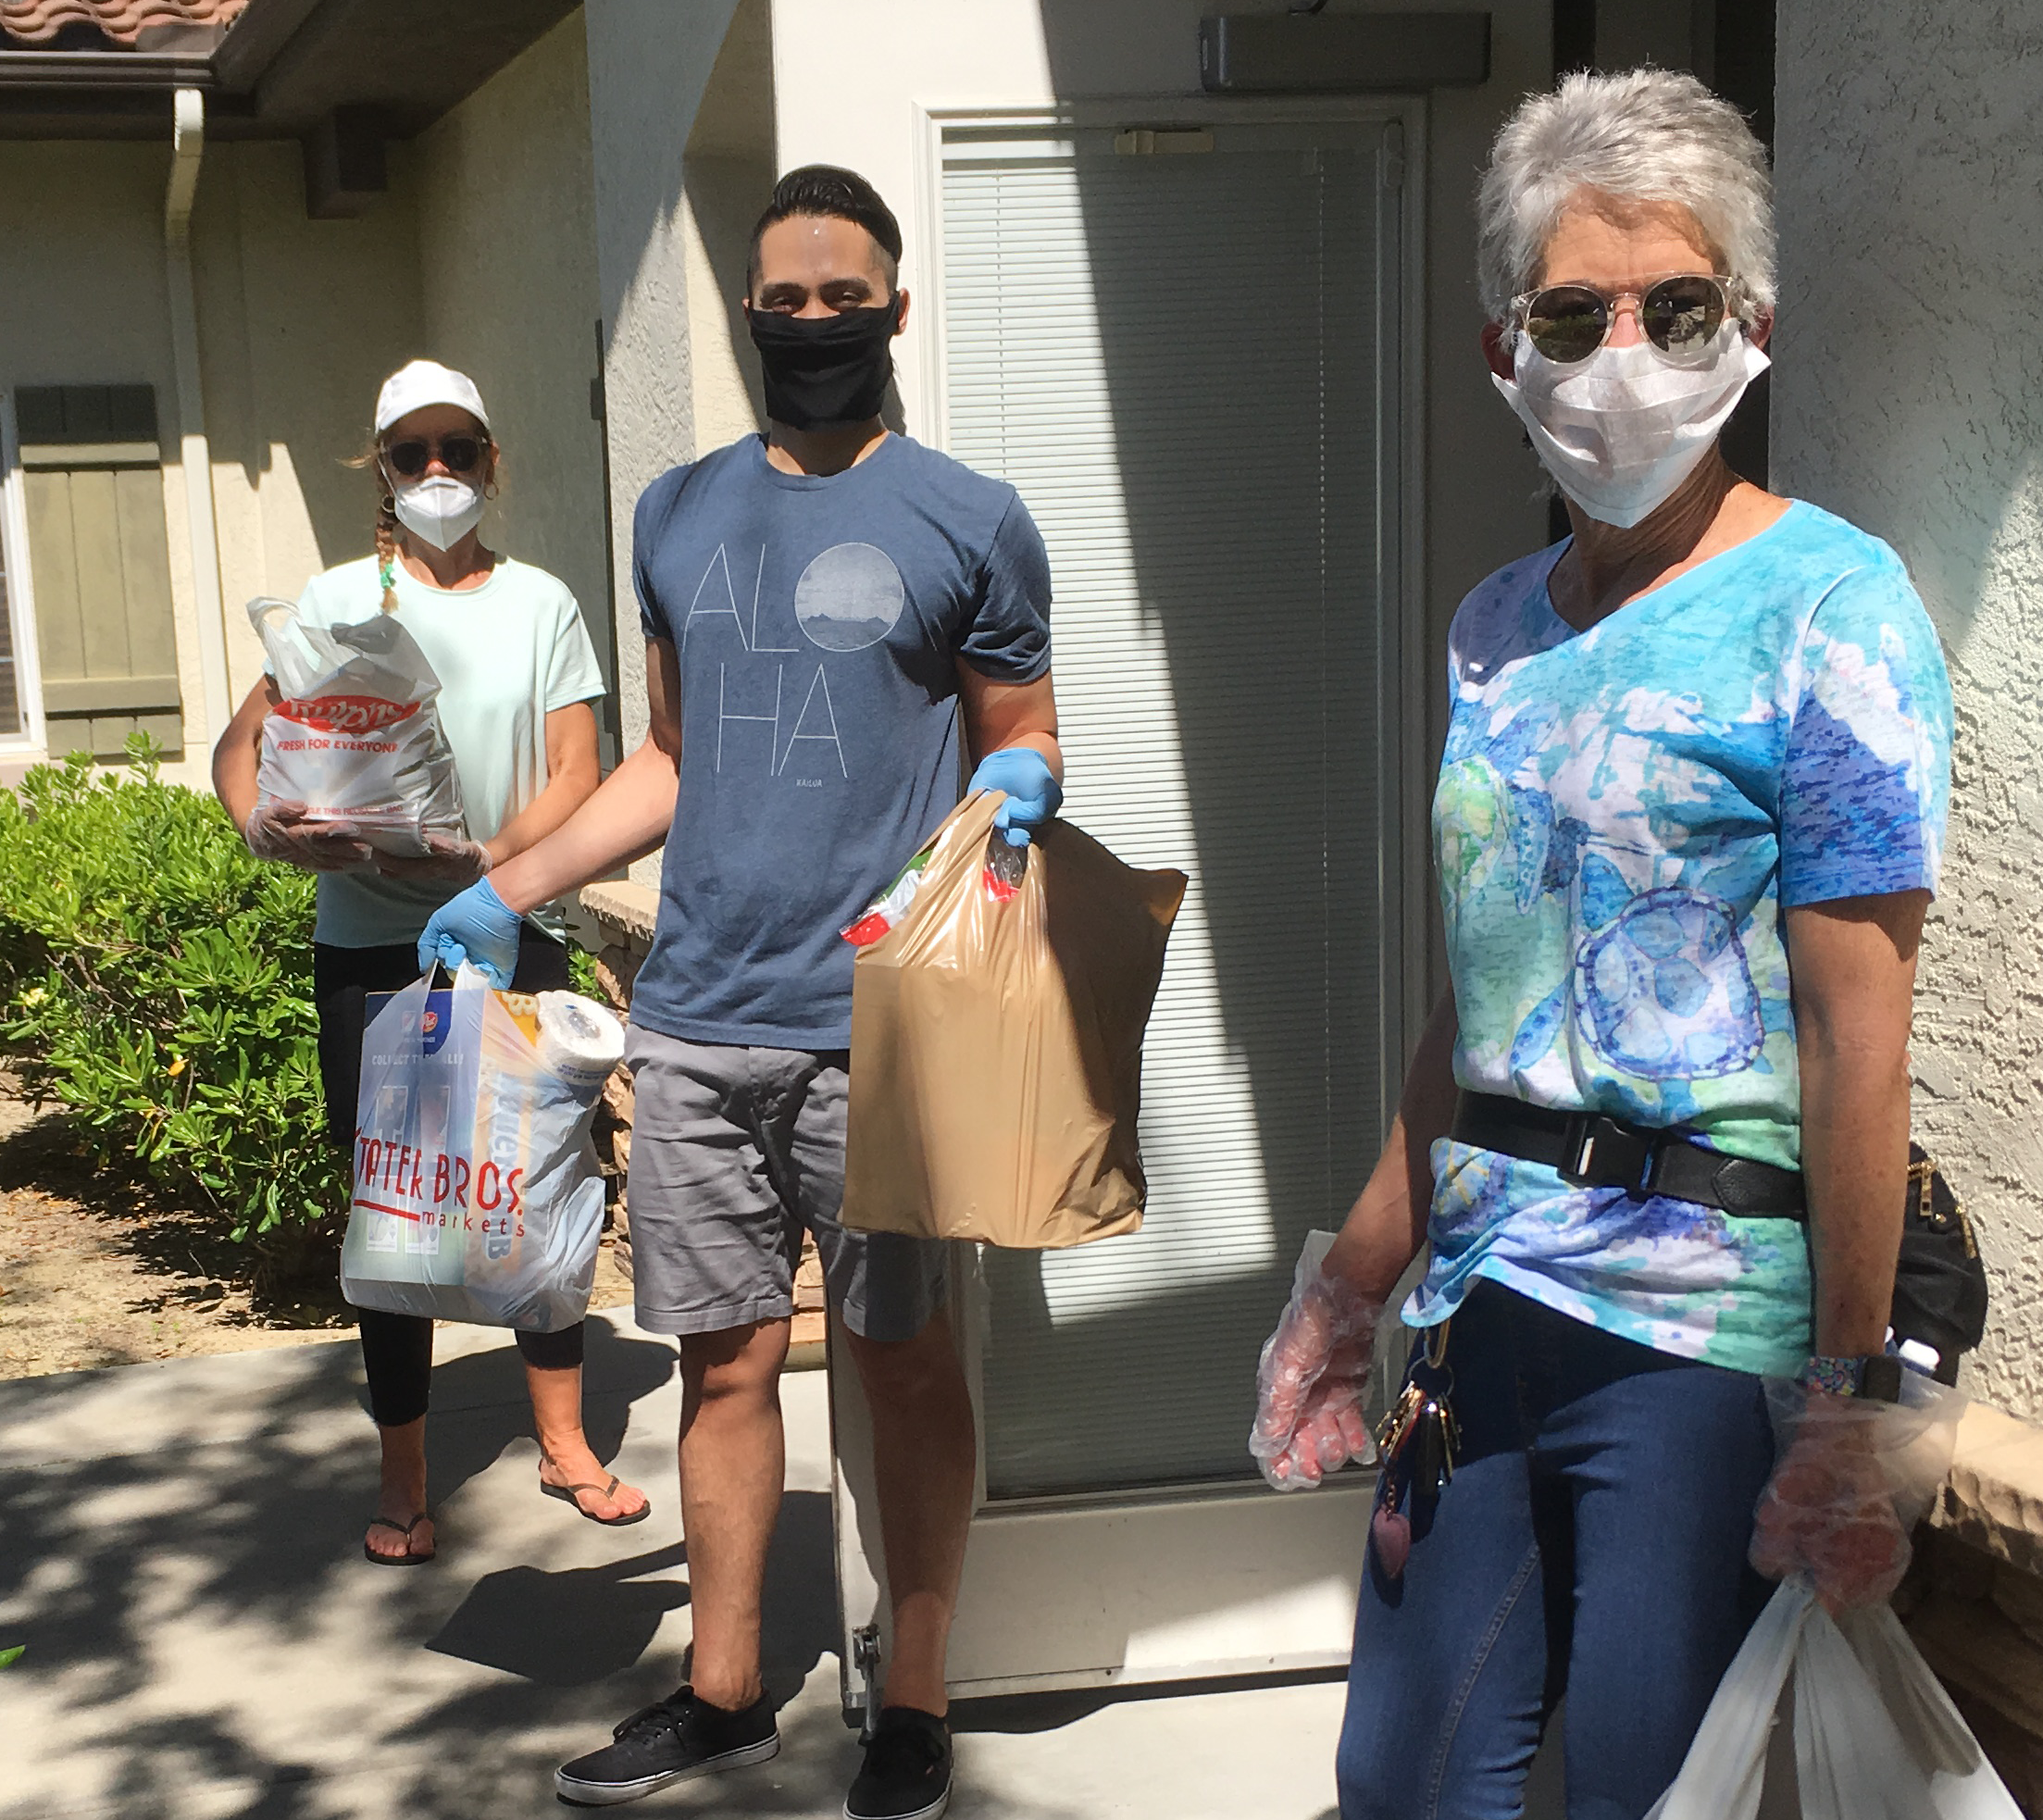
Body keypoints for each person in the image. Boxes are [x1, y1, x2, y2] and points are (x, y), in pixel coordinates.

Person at [1248, 70, 1954, 1819]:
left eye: (1676, 304)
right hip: (1487, 1306)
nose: (1623, 349)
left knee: (1659, 1786)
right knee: (1403, 1785)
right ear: (1506, 351)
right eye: (1572, 312)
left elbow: (1856, 1034)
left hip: (1703, 1342)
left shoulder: (1830, 609)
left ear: (1750, 325)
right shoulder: (1492, 625)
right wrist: (1349, 1286)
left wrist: (1848, 1407)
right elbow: (1473, 1015)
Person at [418, 167, 1060, 1819]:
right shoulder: (680, 509)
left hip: (881, 1031)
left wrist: (1022, 791)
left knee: (904, 1368)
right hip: (697, 1022)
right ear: (749, 314)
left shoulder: (969, 516)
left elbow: (1025, 735)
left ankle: (910, 1699)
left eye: (847, 299)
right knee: (718, 1369)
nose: (816, 323)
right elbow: (671, 758)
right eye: (786, 299)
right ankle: (721, 1692)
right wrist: (511, 885)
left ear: (895, 311)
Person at [212, 359, 648, 1564]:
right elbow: (243, 748)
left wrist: (493, 864)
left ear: (492, 460)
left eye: (460, 448)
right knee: (396, 1204)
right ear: (384, 469)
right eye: (414, 454)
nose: (439, 472)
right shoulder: (336, 598)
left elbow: (578, 773)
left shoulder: (544, 604)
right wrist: (263, 825)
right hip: (365, 944)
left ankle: (564, 1441)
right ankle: (406, 1474)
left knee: (538, 1187)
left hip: (512, 933)